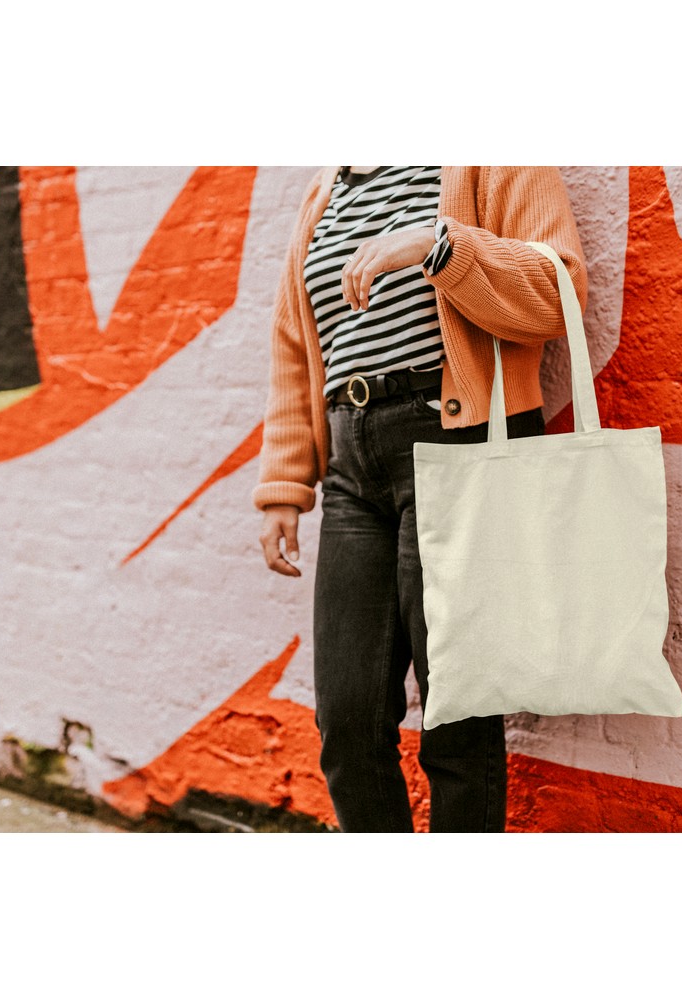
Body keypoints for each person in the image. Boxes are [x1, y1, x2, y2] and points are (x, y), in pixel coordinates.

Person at [253, 166, 587, 833]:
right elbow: (298, 344)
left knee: (457, 719)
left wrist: (440, 247)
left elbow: (560, 293)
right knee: (346, 723)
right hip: (352, 464)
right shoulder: (325, 191)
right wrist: (285, 484)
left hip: (455, 445)